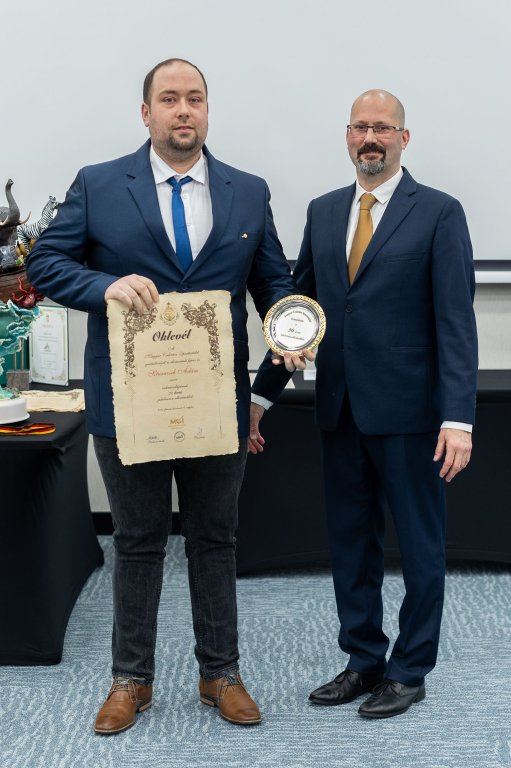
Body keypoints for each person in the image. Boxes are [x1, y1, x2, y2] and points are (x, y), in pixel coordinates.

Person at [27, 57, 306, 734]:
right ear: (146, 112)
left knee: (215, 539)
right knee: (138, 540)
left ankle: (221, 673)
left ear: (207, 110)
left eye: (195, 99)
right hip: (129, 402)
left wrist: (289, 329)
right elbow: (45, 263)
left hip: (215, 400)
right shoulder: (99, 184)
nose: (184, 110)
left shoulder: (247, 191)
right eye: (170, 99)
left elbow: (272, 283)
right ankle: (131, 680)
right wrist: (105, 286)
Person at [250, 90, 478, 719]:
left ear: (404, 137)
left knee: (421, 548)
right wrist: (261, 396)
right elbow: (297, 312)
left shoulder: (440, 212)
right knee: (351, 544)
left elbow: (456, 322)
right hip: (340, 409)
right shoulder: (324, 211)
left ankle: (410, 670)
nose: (370, 138)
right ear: (347, 136)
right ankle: (363, 659)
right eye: (360, 127)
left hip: (412, 416)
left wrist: (458, 418)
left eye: (383, 127)